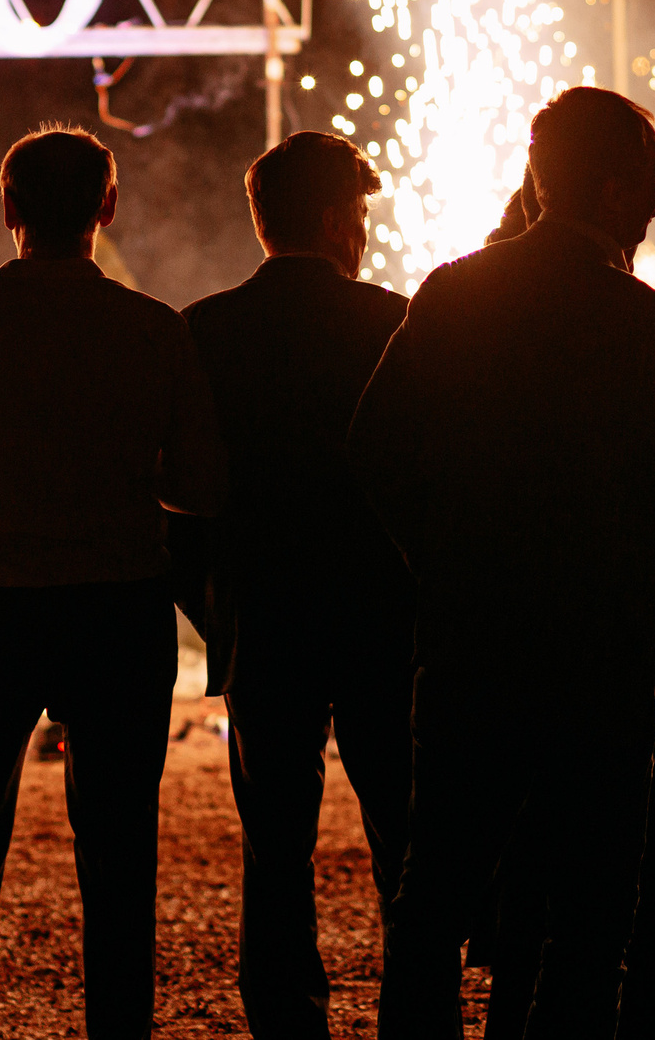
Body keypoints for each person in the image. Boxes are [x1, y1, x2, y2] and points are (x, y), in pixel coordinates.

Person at [351, 85, 655, 1039]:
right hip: (603, 663)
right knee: (592, 917)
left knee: (433, 901)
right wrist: (647, 623)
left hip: (473, 647)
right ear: (607, 189)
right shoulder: (652, 325)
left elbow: (376, 452)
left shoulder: (453, 292)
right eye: (650, 178)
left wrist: (442, 568)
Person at [0, 125, 228, 1040]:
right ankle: (117, 1028)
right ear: (106, 207)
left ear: (9, 209)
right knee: (120, 849)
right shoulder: (154, 330)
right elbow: (199, 486)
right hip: (117, 604)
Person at [175, 131, 412, 1040]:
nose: (363, 228)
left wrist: (216, 610)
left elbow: (184, 493)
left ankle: (287, 1019)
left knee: (276, 846)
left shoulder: (207, 327)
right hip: (379, 616)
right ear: (329, 218)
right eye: (357, 211)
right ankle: (412, 1011)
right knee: (404, 836)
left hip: (266, 617)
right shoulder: (391, 317)